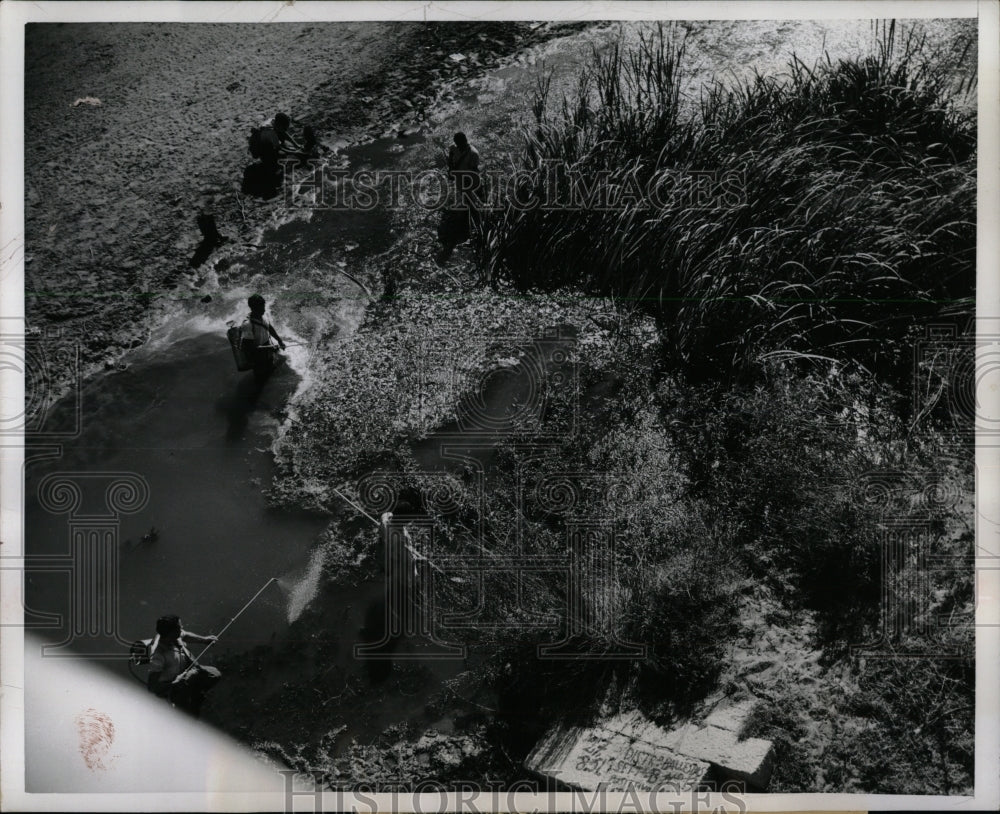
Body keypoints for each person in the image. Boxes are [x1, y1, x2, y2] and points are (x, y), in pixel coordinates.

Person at [147, 615, 221, 717]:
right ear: (171, 632)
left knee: (215, 674)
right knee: (188, 715)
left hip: (188, 675)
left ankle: (195, 693)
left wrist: (204, 640)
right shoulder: (158, 656)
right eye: (179, 627)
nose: (182, 629)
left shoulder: (174, 636)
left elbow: (185, 635)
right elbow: (152, 687)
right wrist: (175, 683)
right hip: (175, 688)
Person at [436, 132, 482, 266]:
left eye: (461, 143)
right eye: (457, 144)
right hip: (458, 177)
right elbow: (450, 158)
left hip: (468, 178)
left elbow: (474, 171)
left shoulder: (473, 153)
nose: (459, 145)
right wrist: (451, 169)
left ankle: (473, 217)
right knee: (462, 195)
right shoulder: (453, 148)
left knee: (469, 198)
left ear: (465, 141)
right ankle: (466, 213)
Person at [239, 294, 287, 385]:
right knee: (261, 380)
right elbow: (249, 348)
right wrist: (270, 348)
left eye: (263, 306)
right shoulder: (247, 325)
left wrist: (279, 340)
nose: (264, 310)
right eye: (261, 308)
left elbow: (269, 327)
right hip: (258, 358)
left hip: (267, 351)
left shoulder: (263, 316)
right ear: (253, 308)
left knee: (271, 372)